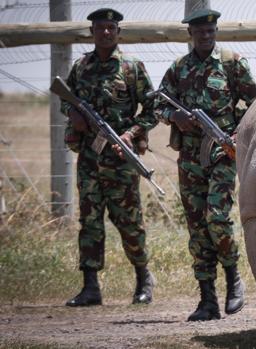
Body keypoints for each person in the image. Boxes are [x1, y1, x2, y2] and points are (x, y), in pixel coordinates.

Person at [154, 9, 256, 321]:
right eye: (200, 31)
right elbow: (157, 102)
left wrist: (237, 135)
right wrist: (175, 117)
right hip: (189, 159)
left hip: (223, 155)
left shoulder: (231, 63)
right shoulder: (179, 68)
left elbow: (255, 103)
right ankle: (207, 299)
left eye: (211, 30)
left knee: (217, 217)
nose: (206, 35)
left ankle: (233, 278)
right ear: (191, 34)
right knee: (197, 227)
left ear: (216, 31)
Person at [62, 8, 157, 307]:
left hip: (120, 159)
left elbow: (152, 111)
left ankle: (144, 280)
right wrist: (73, 114)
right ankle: (90, 287)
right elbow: (66, 100)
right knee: (89, 221)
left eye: (111, 28)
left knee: (129, 221)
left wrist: (130, 134)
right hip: (90, 159)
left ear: (119, 32)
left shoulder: (132, 67)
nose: (106, 32)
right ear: (92, 32)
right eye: (100, 28)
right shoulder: (81, 67)